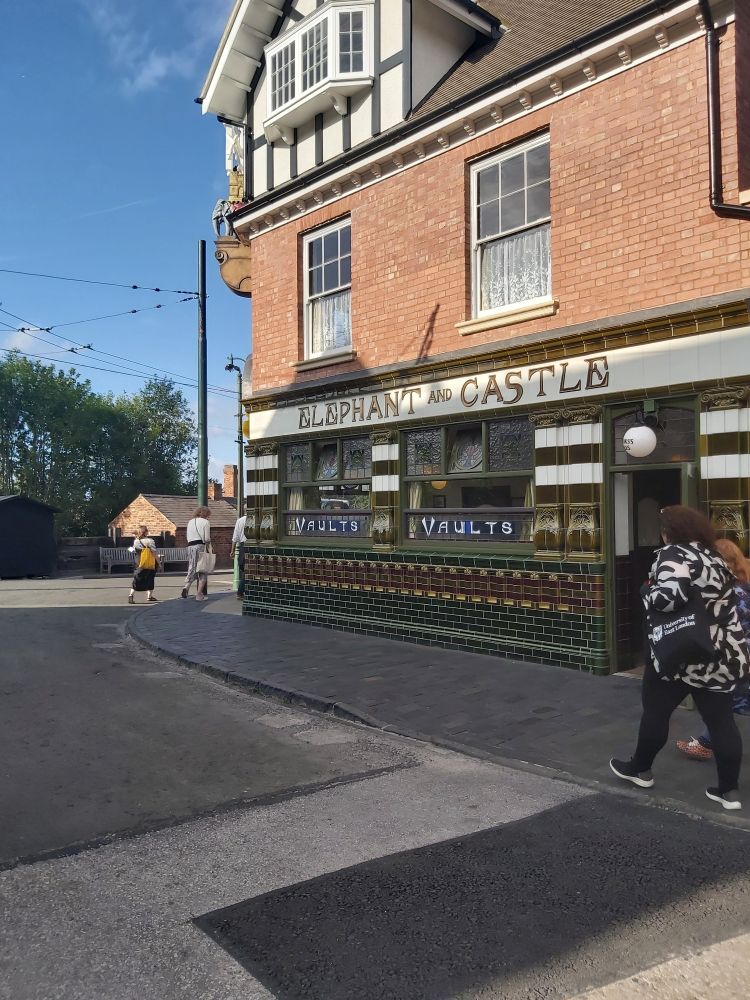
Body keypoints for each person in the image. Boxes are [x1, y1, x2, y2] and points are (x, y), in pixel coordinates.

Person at [610, 506, 750, 810]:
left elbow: (669, 598)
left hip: (681, 653)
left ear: (668, 533)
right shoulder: (715, 555)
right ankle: (728, 792)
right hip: (721, 653)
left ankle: (640, 769)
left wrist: (646, 590)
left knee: (657, 712)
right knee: (722, 721)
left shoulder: (673, 555)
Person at [676, 537, 750, 761]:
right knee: (721, 703)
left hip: (735, 656)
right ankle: (705, 743)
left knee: (719, 702)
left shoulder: (727, 592)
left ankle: (708, 747)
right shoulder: (744, 585)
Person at [182, 506, 211, 601]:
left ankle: (186, 586)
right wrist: (209, 547)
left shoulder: (190, 521)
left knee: (192, 567)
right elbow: (206, 539)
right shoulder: (206, 522)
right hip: (200, 546)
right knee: (203, 570)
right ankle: (199, 595)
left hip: (190, 546)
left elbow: (187, 536)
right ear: (205, 513)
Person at [128, 525, 160, 605]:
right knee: (150, 578)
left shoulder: (136, 541)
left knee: (137, 579)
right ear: (145, 532)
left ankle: (131, 595)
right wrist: (159, 562)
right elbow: (154, 553)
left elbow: (132, 550)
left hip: (139, 562)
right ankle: (149, 596)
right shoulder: (150, 541)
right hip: (150, 562)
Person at [231, 512, 247, 600]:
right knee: (247, 571)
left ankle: (241, 592)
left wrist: (232, 551)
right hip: (250, 545)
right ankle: (240, 592)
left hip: (242, 546)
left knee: (243, 568)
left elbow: (235, 537)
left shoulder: (239, 521)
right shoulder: (255, 519)